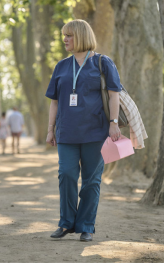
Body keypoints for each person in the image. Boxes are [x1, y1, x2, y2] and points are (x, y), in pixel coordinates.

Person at [45, 19, 122, 242]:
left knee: (92, 180)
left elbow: (113, 94)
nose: (65, 40)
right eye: (64, 36)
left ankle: (86, 225)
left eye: (69, 35)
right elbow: (55, 101)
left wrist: (114, 123)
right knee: (66, 175)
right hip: (67, 133)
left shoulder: (102, 62)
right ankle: (66, 223)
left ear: (81, 36)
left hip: (96, 133)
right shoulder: (61, 66)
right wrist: (51, 129)